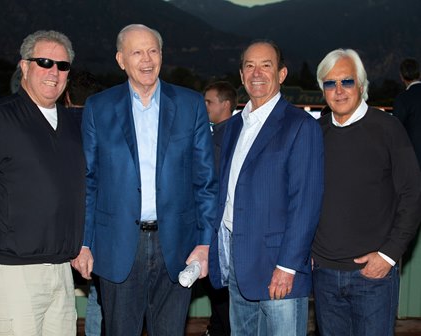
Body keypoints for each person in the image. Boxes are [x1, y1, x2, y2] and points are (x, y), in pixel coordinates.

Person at [71, 24, 217, 336]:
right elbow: (89, 181)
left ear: (162, 55)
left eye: (153, 50)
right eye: (137, 52)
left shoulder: (191, 105)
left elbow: (205, 181)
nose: (147, 59)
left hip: (177, 246)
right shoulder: (99, 108)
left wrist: (205, 243)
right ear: (121, 60)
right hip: (117, 246)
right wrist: (83, 242)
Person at [0, 30, 85, 336]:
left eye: (62, 66)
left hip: (62, 271)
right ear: (23, 67)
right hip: (13, 271)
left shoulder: (71, 126)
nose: (54, 72)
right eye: (44, 62)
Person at [208, 40, 324, 336]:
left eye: (266, 65)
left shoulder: (300, 125)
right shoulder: (233, 127)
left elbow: (306, 203)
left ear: (282, 74)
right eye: (249, 65)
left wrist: (288, 266)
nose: (256, 73)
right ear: (241, 74)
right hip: (237, 262)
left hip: (278, 267)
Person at [311, 48, 421, 336]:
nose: (338, 90)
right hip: (322, 274)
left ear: (361, 85)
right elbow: (302, 195)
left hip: (372, 278)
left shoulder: (388, 128)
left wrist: (388, 256)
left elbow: (413, 193)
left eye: (346, 81)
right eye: (330, 83)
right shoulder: (314, 132)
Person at [64, 70, 104, 336]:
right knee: (99, 294)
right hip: (98, 223)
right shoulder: (104, 127)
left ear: (66, 96)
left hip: (62, 224)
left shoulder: (56, 124)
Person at [202, 81, 237, 336]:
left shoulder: (220, 138)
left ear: (225, 105)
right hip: (222, 227)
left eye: (209, 102)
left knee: (221, 294)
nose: (204, 107)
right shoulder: (235, 132)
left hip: (218, 228)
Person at [393, 58, 421, 169]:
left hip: (414, 161)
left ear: (401, 77)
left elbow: (396, 131)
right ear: (419, 74)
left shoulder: (402, 99)